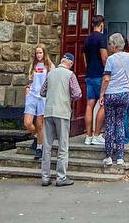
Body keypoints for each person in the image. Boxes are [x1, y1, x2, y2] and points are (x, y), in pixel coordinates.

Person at [39, 52, 81, 188]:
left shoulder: (51, 73)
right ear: (70, 63)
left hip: (48, 111)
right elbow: (77, 93)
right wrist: (67, 98)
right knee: (63, 146)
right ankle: (61, 177)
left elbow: (42, 92)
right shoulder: (70, 75)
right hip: (62, 112)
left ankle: (45, 177)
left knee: (47, 146)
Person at [98, 33, 129, 169]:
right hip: (124, 93)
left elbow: (106, 78)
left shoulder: (111, 59)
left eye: (109, 44)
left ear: (114, 46)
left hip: (111, 93)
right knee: (121, 123)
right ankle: (120, 156)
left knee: (110, 124)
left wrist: (102, 94)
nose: (109, 47)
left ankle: (108, 156)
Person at [83, 15, 108, 146]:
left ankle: (88, 135)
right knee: (104, 103)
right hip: (100, 74)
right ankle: (97, 134)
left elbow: (85, 60)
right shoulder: (101, 38)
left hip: (89, 75)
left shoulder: (87, 39)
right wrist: (108, 71)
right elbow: (104, 58)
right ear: (102, 24)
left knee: (89, 104)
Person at [23, 45, 52, 160]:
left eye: (40, 53)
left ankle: (40, 147)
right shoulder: (33, 66)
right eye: (37, 53)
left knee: (40, 124)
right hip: (32, 95)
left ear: (44, 53)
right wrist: (28, 88)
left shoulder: (49, 66)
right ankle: (37, 137)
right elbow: (30, 80)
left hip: (43, 97)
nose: (38, 55)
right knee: (27, 123)